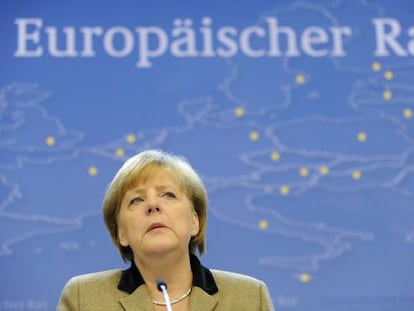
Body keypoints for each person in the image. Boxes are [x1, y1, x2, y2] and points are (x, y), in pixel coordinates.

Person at [57, 149, 275, 310]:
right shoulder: (83, 297)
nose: (153, 205)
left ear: (194, 221)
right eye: (136, 200)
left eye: (168, 195)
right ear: (121, 233)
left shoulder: (249, 298)